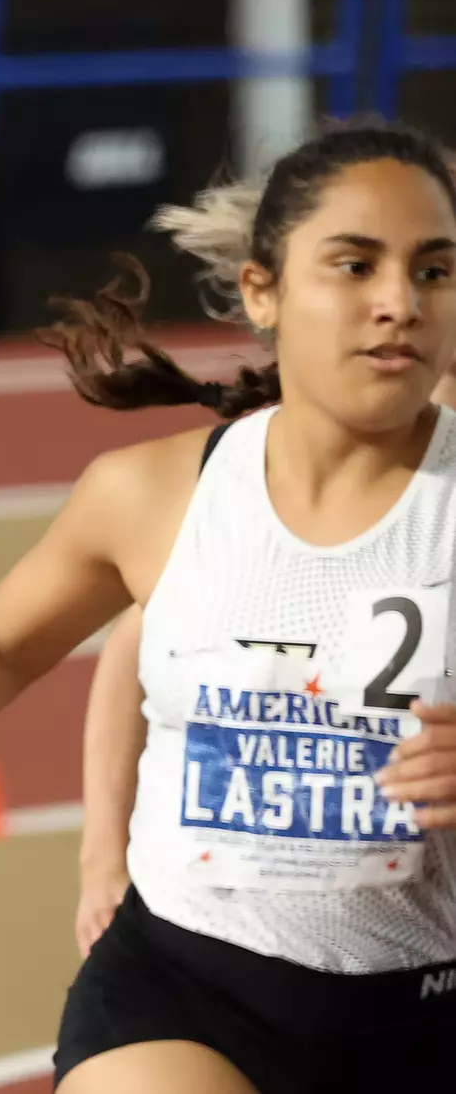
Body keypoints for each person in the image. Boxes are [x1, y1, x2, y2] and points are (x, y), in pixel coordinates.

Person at [0, 120, 456, 1094]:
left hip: (421, 1007)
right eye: (354, 266)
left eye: (434, 271)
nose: (398, 301)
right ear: (263, 289)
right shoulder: (150, 497)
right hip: (188, 986)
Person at [75, 368, 456, 960]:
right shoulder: (301, 459)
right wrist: (102, 858)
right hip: (222, 949)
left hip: (415, 957)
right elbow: (132, 653)